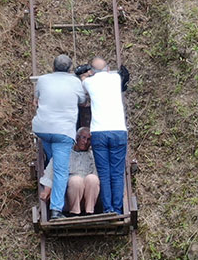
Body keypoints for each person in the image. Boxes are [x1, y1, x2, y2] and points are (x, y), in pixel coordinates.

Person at [31, 54, 86, 219]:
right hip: (62, 132)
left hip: (42, 129)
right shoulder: (75, 82)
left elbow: (37, 99)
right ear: (69, 70)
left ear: (53, 67)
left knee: (53, 160)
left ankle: (48, 180)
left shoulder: (42, 80)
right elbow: (82, 100)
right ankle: (56, 210)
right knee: (61, 170)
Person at [82, 57, 129, 215]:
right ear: (108, 69)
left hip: (99, 133)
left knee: (104, 173)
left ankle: (107, 208)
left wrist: (86, 75)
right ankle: (117, 208)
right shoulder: (115, 78)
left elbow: (82, 79)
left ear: (92, 71)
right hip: (118, 130)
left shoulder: (89, 82)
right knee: (117, 172)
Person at [38, 127, 99, 215]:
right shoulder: (65, 153)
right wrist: (47, 189)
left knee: (93, 178)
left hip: (87, 195)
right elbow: (51, 171)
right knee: (76, 180)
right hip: (70, 195)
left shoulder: (93, 156)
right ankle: (75, 212)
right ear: (77, 138)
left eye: (89, 139)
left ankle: (89, 211)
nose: (85, 142)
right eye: (83, 138)